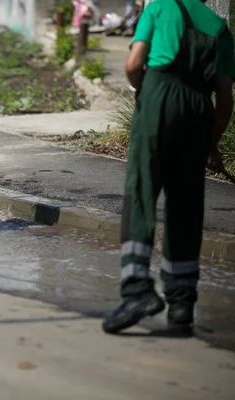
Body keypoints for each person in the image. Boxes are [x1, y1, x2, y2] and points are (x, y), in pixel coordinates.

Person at [102, 0, 235, 334]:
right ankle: (181, 303)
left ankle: (137, 292)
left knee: (141, 194)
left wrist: (140, 89)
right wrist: (211, 144)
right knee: (186, 204)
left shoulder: (159, 8)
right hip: (198, 111)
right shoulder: (219, 28)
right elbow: (225, 101)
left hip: (160, 98)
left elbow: (134, 63)